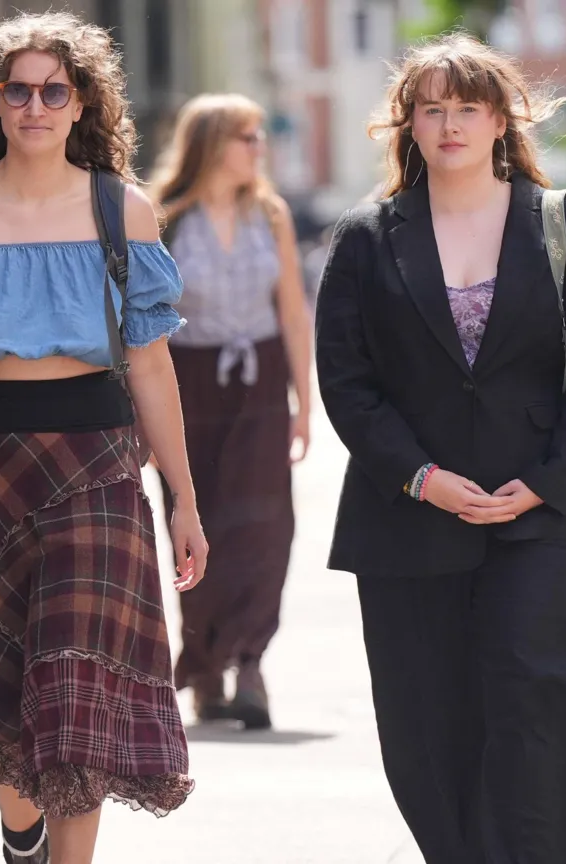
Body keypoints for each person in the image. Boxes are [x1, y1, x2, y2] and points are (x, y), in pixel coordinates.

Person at [0, 13, 208, 864]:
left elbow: (153, 369)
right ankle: (19, 828)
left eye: (52, 90)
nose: (34, 105)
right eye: (17, 88)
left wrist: (183, 497)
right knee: (1, 695)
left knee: (78, 692)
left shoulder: (120, 210)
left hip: (97, 467)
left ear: (80, 103)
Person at [314, 33, 566, 864]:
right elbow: (347, 384)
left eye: (467, 107)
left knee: (554, 714)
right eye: (432, 110)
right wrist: (420, 478)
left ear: (500, 119)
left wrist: (544, 482)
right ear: (408, 127)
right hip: (409, 528)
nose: (449, 124)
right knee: (432, 739)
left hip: (543, 521)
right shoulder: (363, 238)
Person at [149, 93, 312, 730]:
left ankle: (248, 661)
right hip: (187, 385)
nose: (257, 148)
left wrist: (303, 400)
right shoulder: (165, 219)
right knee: (195, 526)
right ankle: (207, 661)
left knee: (266, 528)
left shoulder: (269, 214)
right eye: (247, 136)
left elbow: (294, 312)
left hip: (262, 381)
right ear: (212, 143)